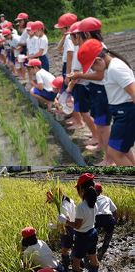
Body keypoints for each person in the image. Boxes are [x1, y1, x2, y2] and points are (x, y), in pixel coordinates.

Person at [77, 38, 135, 166]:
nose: (93, 70)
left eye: (92, 66)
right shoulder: (110, 67)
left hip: (126, 113)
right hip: (121, 113)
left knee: (114, 153)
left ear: (99, 60)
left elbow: (133, 92)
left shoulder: (115, 68)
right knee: (123, 150)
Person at [68, 18, 114, 166]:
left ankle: (109, 160)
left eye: (78, 35)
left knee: (103, 126)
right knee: (100, 124)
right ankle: (101, 146)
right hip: (96, 88)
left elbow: (100, 75)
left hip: (102, 89)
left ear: (86, 34)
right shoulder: (94, 46)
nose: (77, 38)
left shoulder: (98, 49)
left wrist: (79, 75)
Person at [57, 173, 99, 272]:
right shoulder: (94, 203)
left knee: (76, 260)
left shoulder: (81, 207)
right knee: (92, 256)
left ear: (81, 190)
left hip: (83, 236)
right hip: (93, 232)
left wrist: (64, 220)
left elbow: (77, 226)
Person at [46, 187, 76, 271]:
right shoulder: (70, 201)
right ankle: (76, 262)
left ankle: (66, 266)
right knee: (73, 245)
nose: (51, 203)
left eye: (51, 201)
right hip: (74, 226)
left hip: (68, 229)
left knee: (64, 249)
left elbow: (67, 222)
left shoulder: (62, 206)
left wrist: (53, 226)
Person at [95, 183, 117, 259]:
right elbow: (114, 210)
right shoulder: (107, 198)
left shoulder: (90, 199)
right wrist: (113, 220)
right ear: (101, 191)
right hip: (108, 217)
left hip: (96, 218)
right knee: (109, 232)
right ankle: (105, 244)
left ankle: (93, 244)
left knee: (92, 231)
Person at [15, 12, 29, 79]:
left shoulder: (27, 30)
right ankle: (23, 76)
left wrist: (20, 44)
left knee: (27, 63)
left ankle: (24, 76)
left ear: (25, 20)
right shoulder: (24, 30)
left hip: (27, 48)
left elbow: (29, 42)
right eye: (18, 21)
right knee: (22, 62)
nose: (19, 22)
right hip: (23, 47)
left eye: (20, 21)